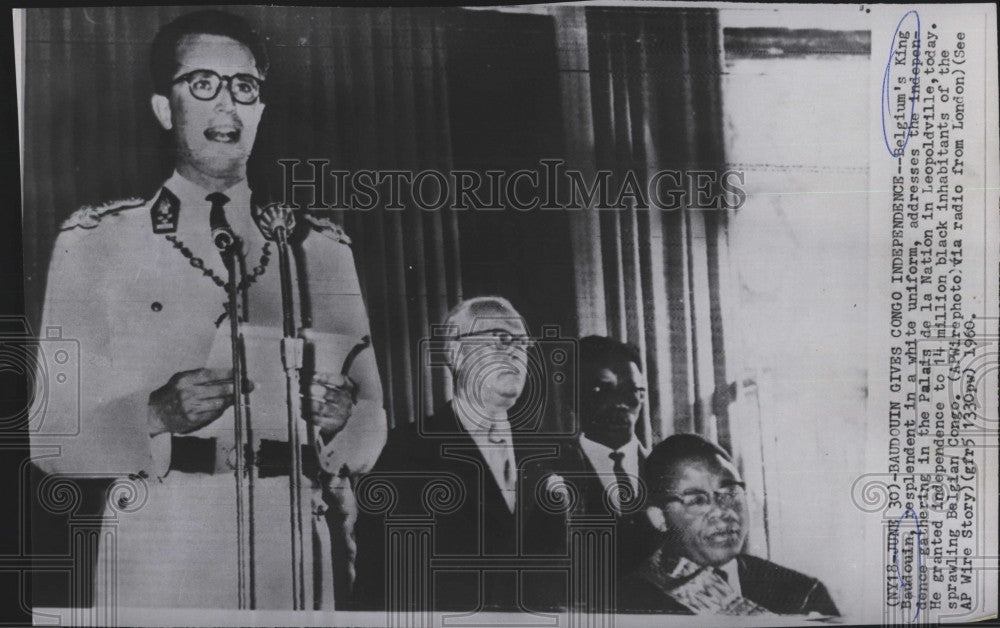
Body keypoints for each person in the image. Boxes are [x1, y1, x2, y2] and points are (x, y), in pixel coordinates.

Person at [30, 10, 386, 610]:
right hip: (164, 531)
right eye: (203, 84)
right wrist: (155, 414)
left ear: (261, 110)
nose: (228, 105)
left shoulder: (318, 250)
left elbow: (373, 420)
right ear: (165, 109)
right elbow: (47, 436)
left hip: (293, 536)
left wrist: (340, 418)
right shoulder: (97, 242)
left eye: (244, 87)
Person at [352, 296, 546, 612]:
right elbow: (383, 583)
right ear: (455, 353)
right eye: (500, 339)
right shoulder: (407, 453)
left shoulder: (549, 453)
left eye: (523, 343)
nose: (514, 351)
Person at [619, 434, 840, 616]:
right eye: (697, 500)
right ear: (659, 518)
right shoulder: (625, 603)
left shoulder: (802, 592)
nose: (723, 512)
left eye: (730, 492)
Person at [526, 335, 661, 610]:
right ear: (572, 399)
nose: (620, 403)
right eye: (601, 390)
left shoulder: (667, 472)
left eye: (631, 390)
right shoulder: (543, 479)